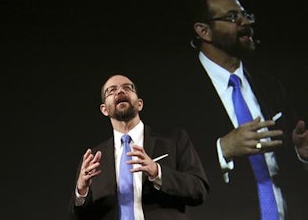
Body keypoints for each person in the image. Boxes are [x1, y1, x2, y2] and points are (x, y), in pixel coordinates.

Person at [146, 0, 308, 220]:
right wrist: (222, 150)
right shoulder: (175, 93)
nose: (246, 23)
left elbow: (290, 171)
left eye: (246, 16)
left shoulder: (270, 86)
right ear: (204, 31)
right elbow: (160, 167)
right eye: (233, 17)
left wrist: (302, 155)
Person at [68, 74, 209, 220]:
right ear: (104, 110)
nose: (120, 92)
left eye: (127, 88)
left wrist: (157, 172)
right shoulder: (94, 158)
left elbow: (199, 190)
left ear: (140, 104)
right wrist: (81, 191)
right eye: (111, 90)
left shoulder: (173, 140)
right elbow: (78, 217)